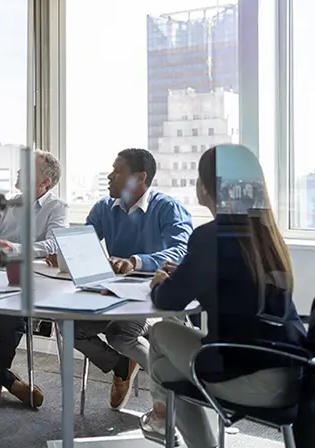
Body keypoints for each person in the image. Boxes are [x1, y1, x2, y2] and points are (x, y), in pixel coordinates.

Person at [141, 144, 306, 448]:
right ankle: (175, 423)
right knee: (165, 371)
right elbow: (236, 283)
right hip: (293, 371)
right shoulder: (265, 235)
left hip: (247, 375)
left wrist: (160, 281)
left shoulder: (209, 237)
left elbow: (167, 301)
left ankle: (167, 420)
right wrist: (191, 271)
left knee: (161, 330)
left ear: (206, 188)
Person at [70, 148, 193, 410]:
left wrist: (135, 261)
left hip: (153, 296)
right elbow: (83, 243)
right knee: (69, 327)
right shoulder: (104, 207)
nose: (110, 176)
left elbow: (181, 252)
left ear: (140, 177)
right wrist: (65, 253)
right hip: (112, 294)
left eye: (117, 171)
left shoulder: (168, 207)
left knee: (121, 335)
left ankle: (178, 394)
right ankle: (121, 365)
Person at [0, 150, 69, 407]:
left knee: (11, 316)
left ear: (44, 182)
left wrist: (15, 248)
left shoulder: (57, 207)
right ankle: (4, 378)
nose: (19, 171)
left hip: (28, 282)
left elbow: (55, 243)